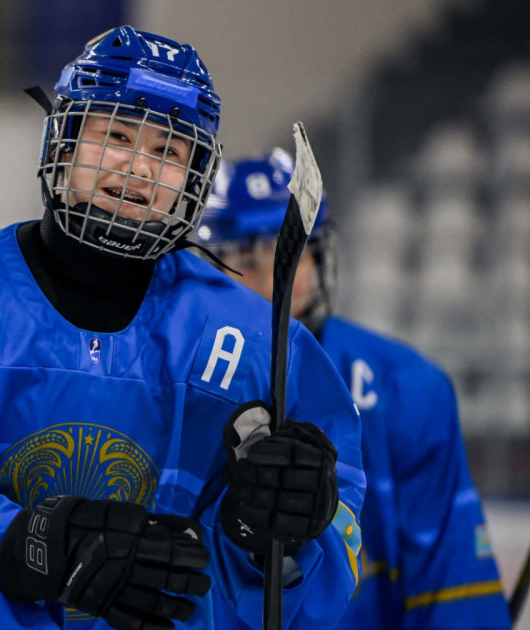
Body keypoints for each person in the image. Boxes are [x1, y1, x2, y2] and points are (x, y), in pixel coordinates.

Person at [0, 25, 365, 630]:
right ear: (64, 138)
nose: (139, 168)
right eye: (114, 134)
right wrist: (40, 546)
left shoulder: (258, 342)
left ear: (196, 178)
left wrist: (270, 532)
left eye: (169, 151)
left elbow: (331, 537)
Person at [199, 149, 509, 629]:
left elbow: (452, 585)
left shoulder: (406, 388)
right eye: (240, 257)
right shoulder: (173, 380)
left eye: (288, 250)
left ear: (321, 256)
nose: (269, 277)